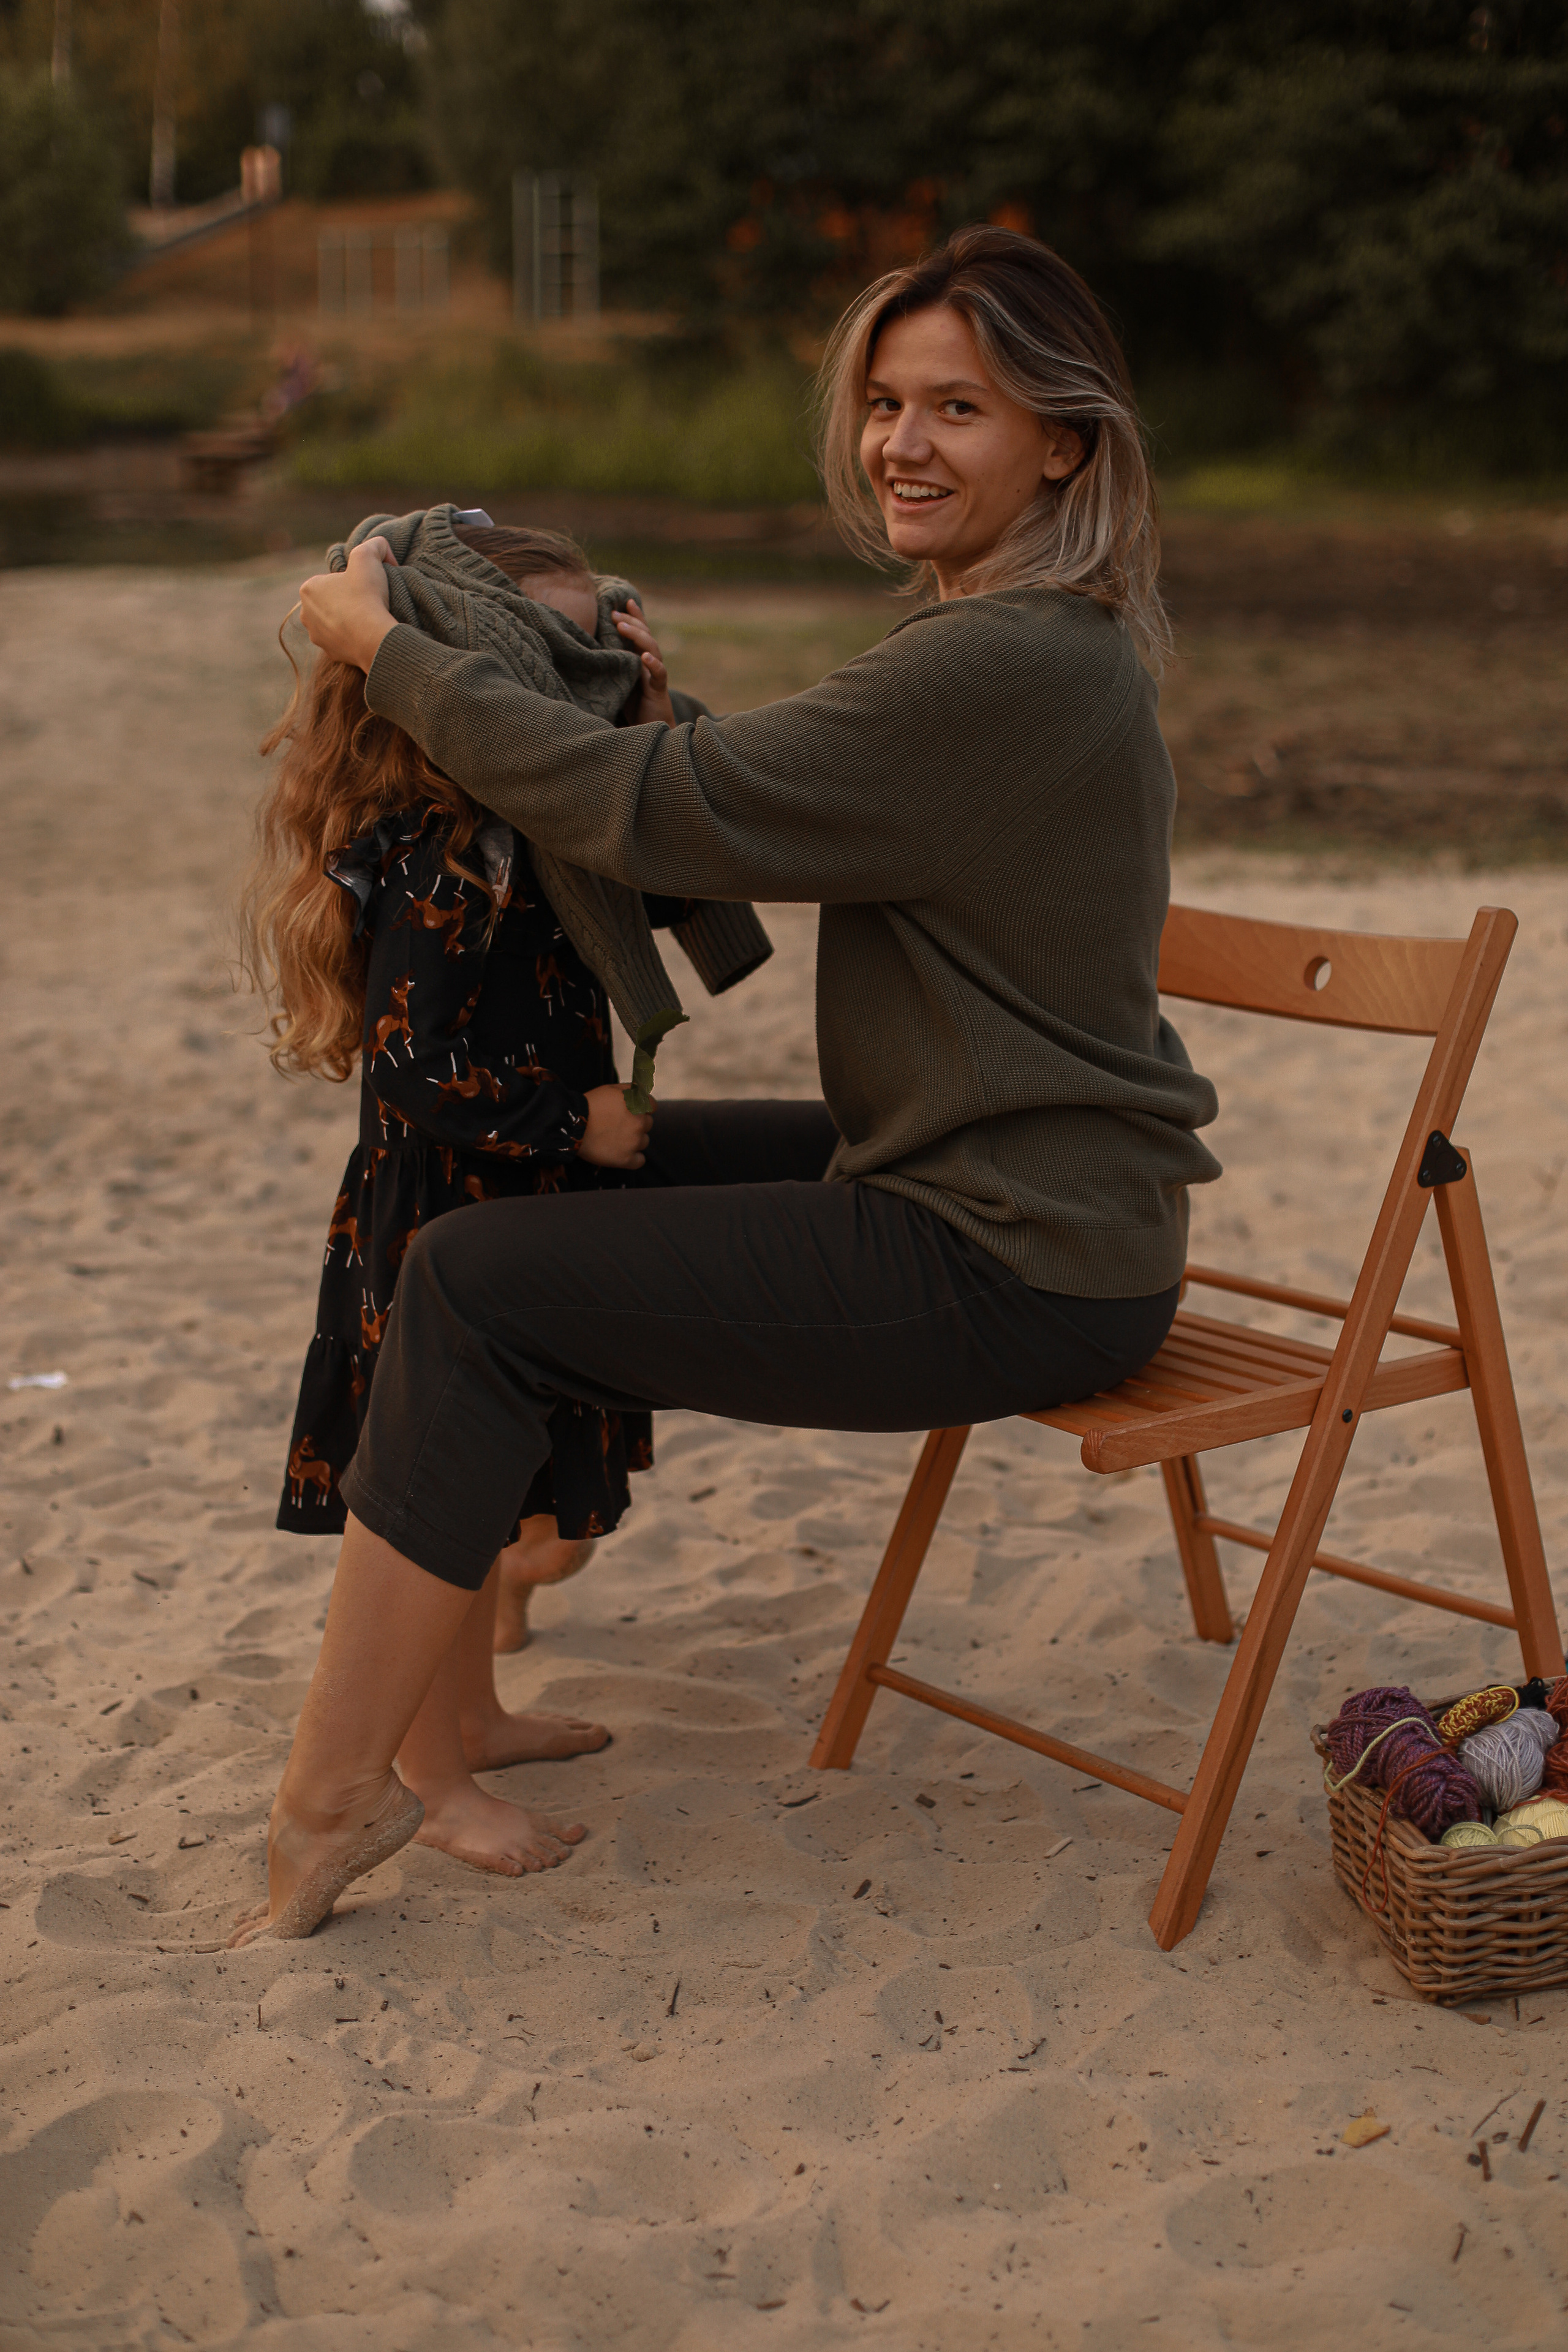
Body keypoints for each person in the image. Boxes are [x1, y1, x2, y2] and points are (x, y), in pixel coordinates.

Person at [230, 224, 1223, 1947]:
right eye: (887, 403)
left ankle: (330, 1797)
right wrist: (659, 723)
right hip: (1004, 1179)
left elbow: (662, 815)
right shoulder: (1013, 647)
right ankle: (465, 1671)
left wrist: (386, 649)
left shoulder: (1003, 661)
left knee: (469, 1280)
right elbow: (722, 786)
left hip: (1017, 1254)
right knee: (534, 1197)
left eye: (961, 410)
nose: (902, 444)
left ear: (1063, 441)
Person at [239, 515, 769, 1887]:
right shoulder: (443, 848)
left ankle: (468, 1713)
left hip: (511, 1200)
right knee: (435, 1493)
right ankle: (424, 1770)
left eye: (601, 651)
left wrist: (649, 714)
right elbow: (413, 1075)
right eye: (563, 662)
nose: (584, 684)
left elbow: (652, 893)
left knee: (482, 1487)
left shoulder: (523, 820)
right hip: (441, 1213)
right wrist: (567, 1117)